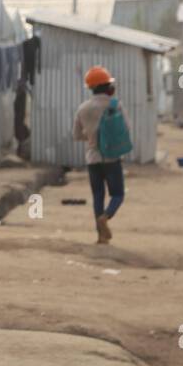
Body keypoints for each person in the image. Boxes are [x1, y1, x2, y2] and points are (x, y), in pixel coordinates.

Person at [73, 65, 128, 245]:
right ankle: (106, 216)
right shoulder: (116, 105)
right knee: (118, 194)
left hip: (93, 158)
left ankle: (101, 236)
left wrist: (91, 138)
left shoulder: (83, 108)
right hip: (112, 158)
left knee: (98, 195)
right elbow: (126, 129)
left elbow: (76, 135)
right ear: (108, 86)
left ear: (90, 87)